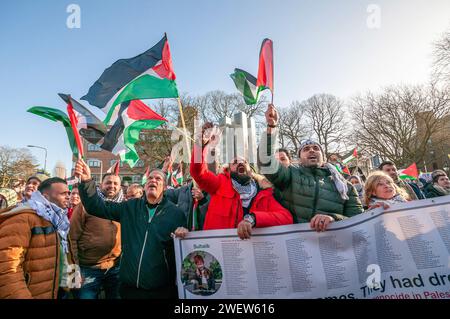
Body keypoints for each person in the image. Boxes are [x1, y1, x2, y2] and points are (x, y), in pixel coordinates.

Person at [74, 159, 186, 299]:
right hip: (128, 289)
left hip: (161, 290)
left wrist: (184, 234)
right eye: (150, 178)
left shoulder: (176, 214)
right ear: (145, 186)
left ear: (165, 187)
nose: (153, 180)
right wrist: (86, 182)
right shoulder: (130, 207)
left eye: (158, 178)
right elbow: (96, 206)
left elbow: (184, 250)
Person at [259, 104, 363, 232]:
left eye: (316, 148)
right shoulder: (289, 175)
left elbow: (358, 220)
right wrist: (271, 127)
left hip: (332, 247)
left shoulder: (345, 186)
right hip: (295, 246)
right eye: (306, 149)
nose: (311, 151)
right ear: (299, 157)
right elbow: (266, 162)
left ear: (323, 157)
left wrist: (333, 219)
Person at [183, 122, 293, 240]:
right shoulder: (219, 184)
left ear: (250, 171)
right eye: (235, 163)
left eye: (244, 162)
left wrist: (254, 219)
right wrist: (201, 144)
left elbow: (286, 218)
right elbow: (197, 172)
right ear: (229, 171)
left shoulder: (264, 193)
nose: (240, 163)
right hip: (220, 251)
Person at [0, 177, 80, 299]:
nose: (68, 196)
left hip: (59, 291)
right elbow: (7, 268)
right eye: (63, 193)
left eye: (68, 193)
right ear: (45, 196)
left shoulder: (60, 220)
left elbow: (67, 254)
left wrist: (72, 284)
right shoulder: (22, 219)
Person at [69, 173, 123, 299]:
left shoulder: (124, 207)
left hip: (115, 268)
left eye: (116, 183)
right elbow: (71, 238)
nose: (112, 186)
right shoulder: (83, 206)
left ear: (120, 187)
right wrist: (74, 271)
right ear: (100, 185)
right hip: (87, 269)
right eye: (108, 182)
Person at [163, 156, 210, 231]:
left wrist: (203, 200)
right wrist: (164, 171)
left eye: (200, 172)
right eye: (195, 171)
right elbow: (161, 195)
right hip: (184, 237)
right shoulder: (183, 191)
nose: (198, 175)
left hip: (205, 237)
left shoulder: (212, 191)